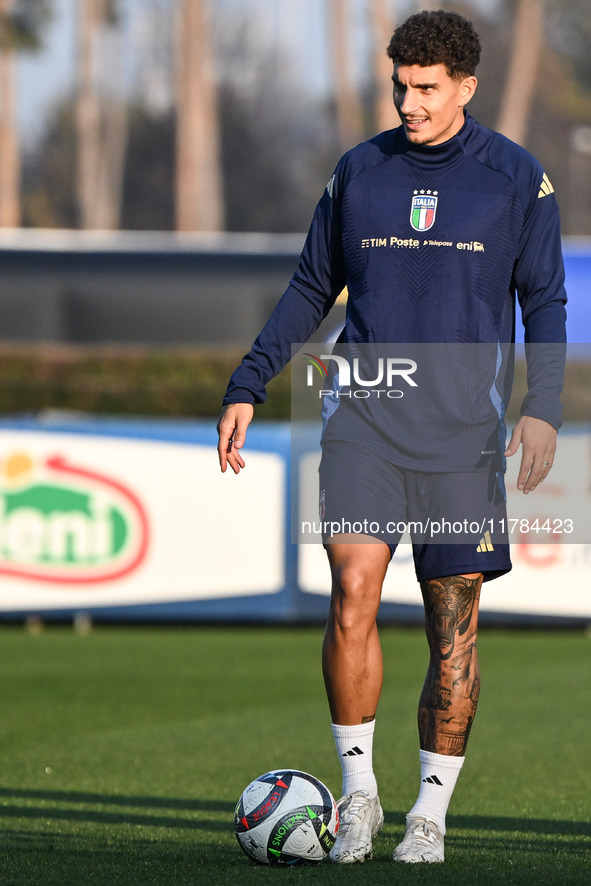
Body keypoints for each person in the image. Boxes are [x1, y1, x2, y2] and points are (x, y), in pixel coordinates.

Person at [217, 9, 566, 865]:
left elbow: (545, 302)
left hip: (462, 439)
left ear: (465, 88)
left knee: (451, 627)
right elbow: (310, 287)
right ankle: (363, 797)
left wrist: (543, 406)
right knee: (352, 590)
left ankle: (429, 815)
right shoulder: (358, 172)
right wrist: (248, 381)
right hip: (361, 418)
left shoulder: (516, 180)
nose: (407, 103)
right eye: (399, 86)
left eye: (425, 88)